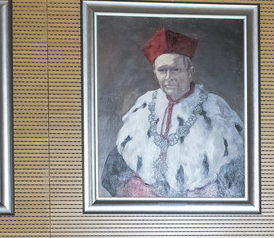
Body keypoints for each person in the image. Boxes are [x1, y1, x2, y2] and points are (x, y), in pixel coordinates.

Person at [100, 28, 246, 199]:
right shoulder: (144, 105)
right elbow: (116, 171)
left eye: (176, 69)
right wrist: (138, 191)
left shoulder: (215, 108)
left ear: (190, 72)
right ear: (155, 72)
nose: (169, 77)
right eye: (162, 70)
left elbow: (237, 174)